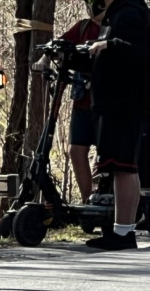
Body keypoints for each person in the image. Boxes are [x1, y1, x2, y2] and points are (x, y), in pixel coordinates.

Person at [75, 0, 150, 250]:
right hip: (116, 104)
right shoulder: (119, 17)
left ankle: (124, 233)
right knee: (119, 166)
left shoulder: (127, 15)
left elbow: (144, 53)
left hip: (123, 105)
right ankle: (121, 229)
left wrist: (110, 45)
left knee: (124, 166)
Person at [31, 12, 102, 204]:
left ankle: (108, 199)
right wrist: (45, 59)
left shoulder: (114, 27)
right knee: (76, 150)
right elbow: (59, 44)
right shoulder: (83, 27)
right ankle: (88, 200)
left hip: (105, 104)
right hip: (82, 101)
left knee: (107, 156)